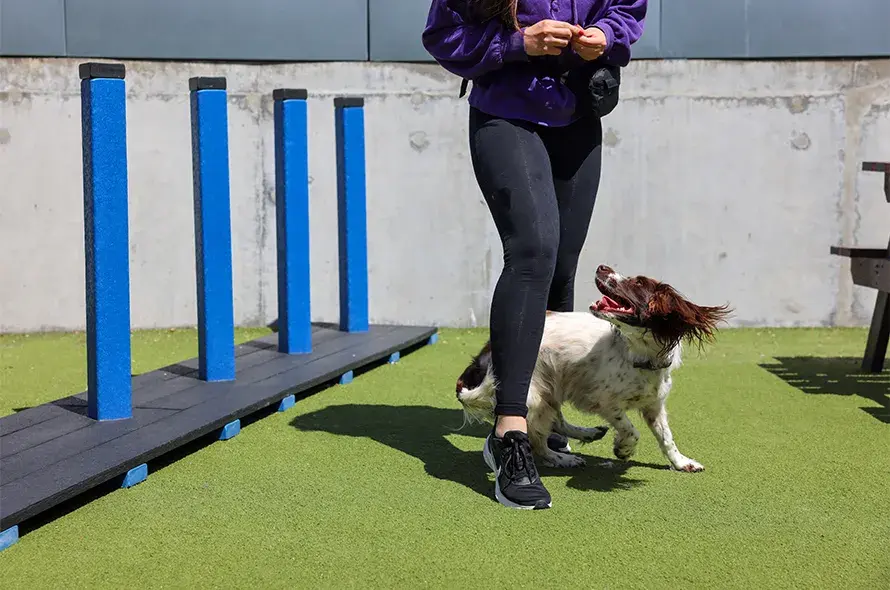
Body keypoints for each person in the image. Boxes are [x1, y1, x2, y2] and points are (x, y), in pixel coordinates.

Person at [421, 0, 647, 510]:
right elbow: (443, 36)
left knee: (562, 269)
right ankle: (511, 432)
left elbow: (628, 9)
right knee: (533, 254)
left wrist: (604, 37)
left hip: (579, 114)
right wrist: (516, 44)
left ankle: (545, 423)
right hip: (505, 112)